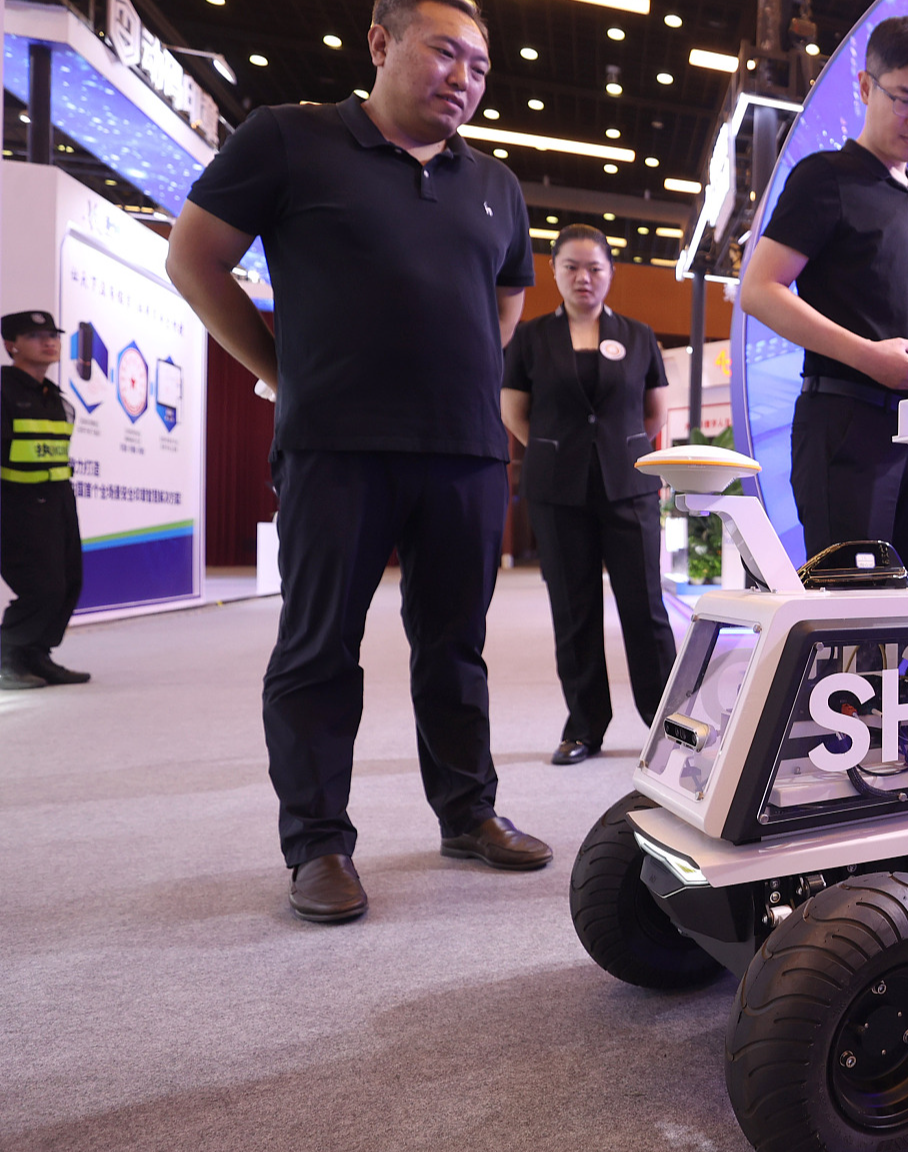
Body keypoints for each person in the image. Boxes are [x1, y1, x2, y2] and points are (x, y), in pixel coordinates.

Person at [166, 0, 549, 926]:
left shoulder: (493, 183)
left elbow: (505, 300)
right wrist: (280, 373)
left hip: (461, 453)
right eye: (444, 53)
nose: (464, 77)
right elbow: (194, 259)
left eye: (480, 67)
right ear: (381, 44)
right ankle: (319, 844)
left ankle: (468, 812)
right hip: (336, 445)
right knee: (319, 645)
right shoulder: (287, 141)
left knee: (454, 646)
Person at [741, 16, 908, 565]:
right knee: (849, 615)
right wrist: (868, 357)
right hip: (845, 426)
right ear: (865, 87)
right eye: (906, 99)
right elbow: (760, 290)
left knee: (905, 617)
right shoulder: (826, 176)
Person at [501, 225, 675, 766]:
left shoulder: (640, 334)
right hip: (557, 489)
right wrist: (560, 450)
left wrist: (613, 450)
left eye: (595, 268)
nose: (584, 277)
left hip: (629, 485)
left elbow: (654, 413)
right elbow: (514, 412)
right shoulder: (529, 338)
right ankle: (584, 726)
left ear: (610, 274)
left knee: (645, 608)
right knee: (573, 610)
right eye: (572, 266)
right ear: (553, 271)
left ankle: (666, 721)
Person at [1, 311, 88, 691]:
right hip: (16, 502)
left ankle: (35, 656)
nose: (49, 341)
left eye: (52, 334)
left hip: (57, 500)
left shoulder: (54, 397)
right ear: (11, 345)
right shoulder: (3, 391)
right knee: (42, 586)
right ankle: (7, 656)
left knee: (69, 581)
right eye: (35, 335)